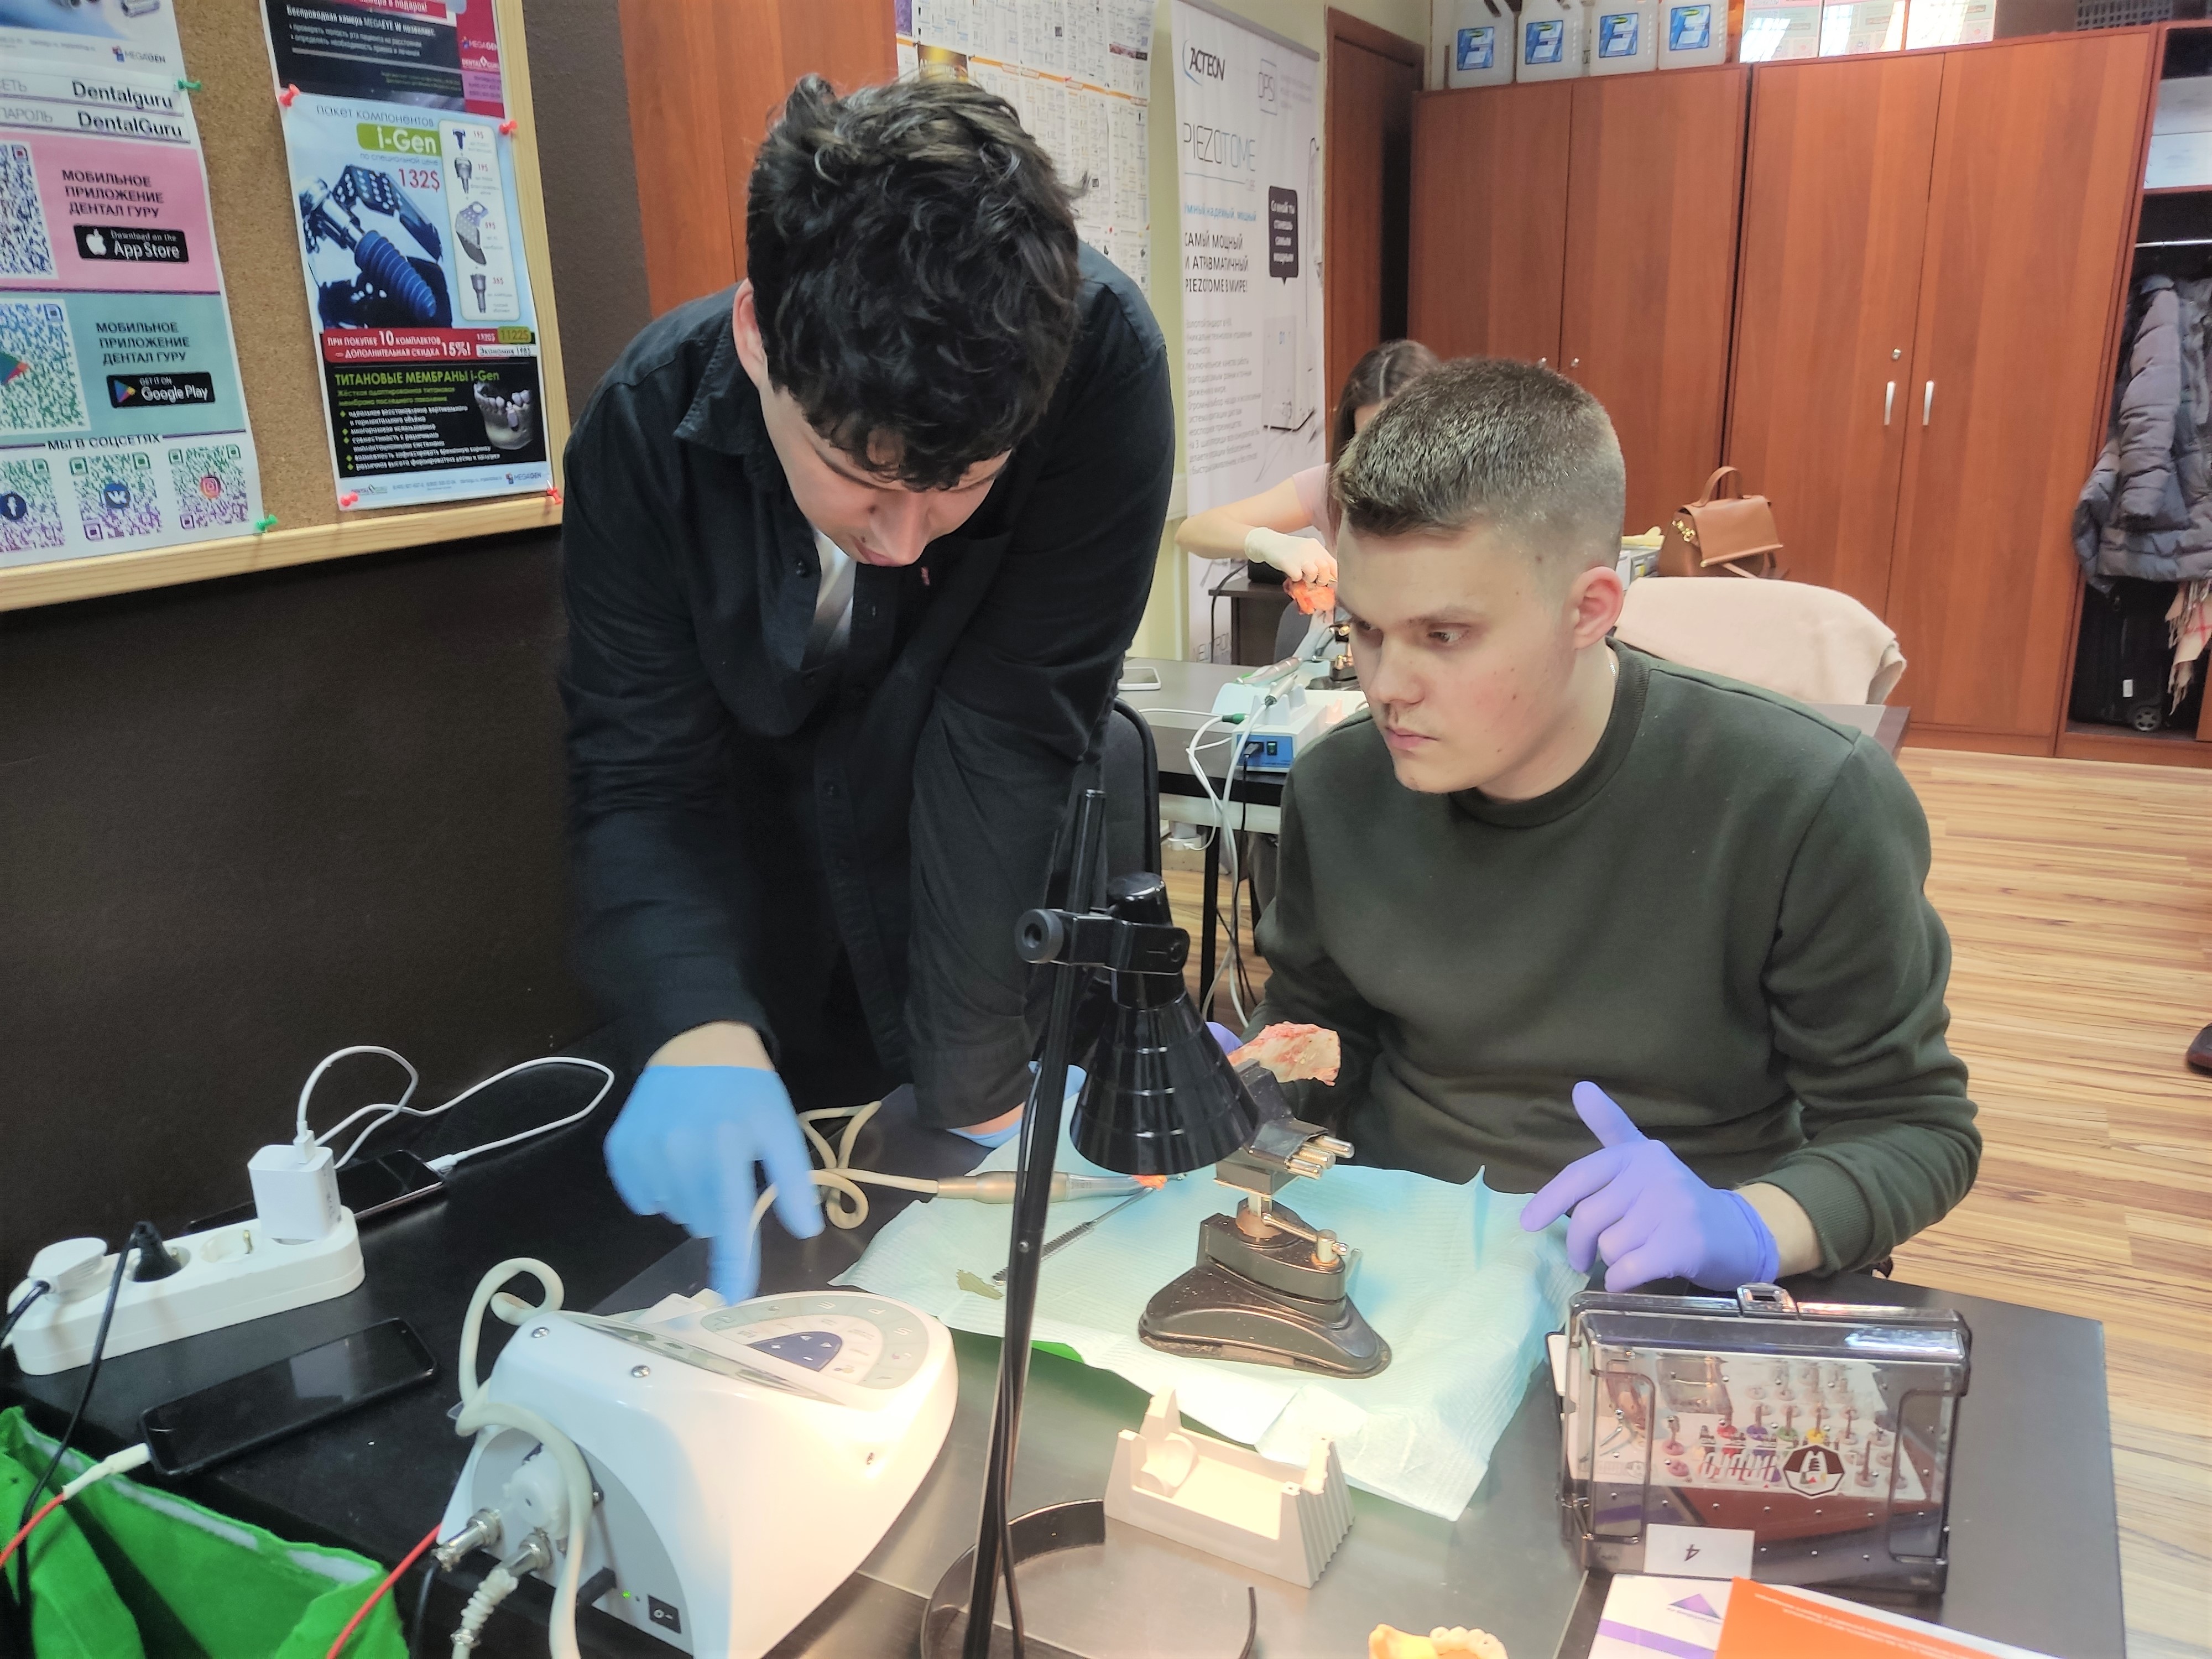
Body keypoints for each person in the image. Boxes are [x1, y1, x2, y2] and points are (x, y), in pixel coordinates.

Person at [560, 75, 1172, 1300]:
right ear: (756, 337)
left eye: (962, 485)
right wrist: (695, 1017)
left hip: (990, 885)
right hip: (764, 894)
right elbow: (640, 772)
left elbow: (1012, 727)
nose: (900, 540)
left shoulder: (1099, 365)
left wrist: (979, 1097)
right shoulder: (643, 425)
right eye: (860, 477)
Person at [1251, 358, 1980, 1290]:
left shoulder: (1805, 800)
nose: (1387, 686)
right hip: (1397, 1256)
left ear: (1590, 610)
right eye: (1363, 629)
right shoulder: (1340, 786)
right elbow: (1322, 1032)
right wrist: (1249, 1079)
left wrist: (1751, 1227)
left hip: (1669, 1286)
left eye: (1443, 636)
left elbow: (1911, 1127)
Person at [1175, 339, 1438, 592]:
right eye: (1367, 441)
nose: (1381, 458)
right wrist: (1269, 543)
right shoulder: (1331, 485)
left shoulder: (1459, 497)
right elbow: (1193, 531)